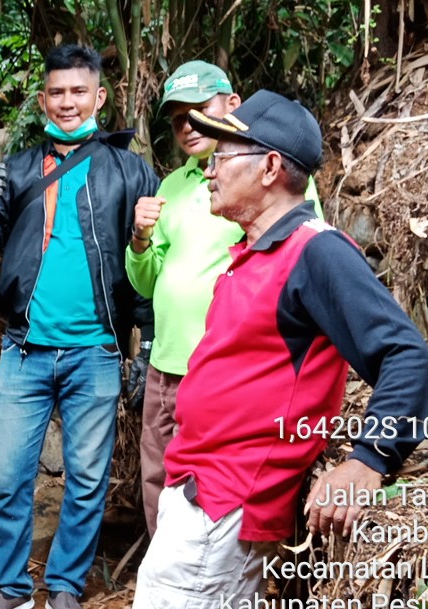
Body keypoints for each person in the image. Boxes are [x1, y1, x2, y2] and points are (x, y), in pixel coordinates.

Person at [120, 91, 428, 609]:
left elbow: (407, 354)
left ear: (269, 168)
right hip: (204, 490)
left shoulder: (316, 251)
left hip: (223, 502)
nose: (209, 168)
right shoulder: (256, 250)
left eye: (222, 155)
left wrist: (368, 460)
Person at [0, 45, 160, 609]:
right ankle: (11, 587)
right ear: (43, 99)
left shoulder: (130, 171)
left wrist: (146, 341)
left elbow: (148, 261)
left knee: (87, 479)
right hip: (24, 349)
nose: (67, 102)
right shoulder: (21, 168)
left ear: (99, 96)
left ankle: (67, 585)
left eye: (78, 91)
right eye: (57, 92)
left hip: (96, 352)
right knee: (7, 478)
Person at [126, 61, 322, 538]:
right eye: (178, 119)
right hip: (164, 363)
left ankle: (207, 570)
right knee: (156, 477)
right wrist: (139, 239)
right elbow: (147, 284)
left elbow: (299, 256)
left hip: (223, 367)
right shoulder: (171, 186)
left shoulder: (268, 176)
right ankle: (163, 566)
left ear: (233, 105)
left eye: (199, 111)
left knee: (206, 485)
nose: (188, 126)